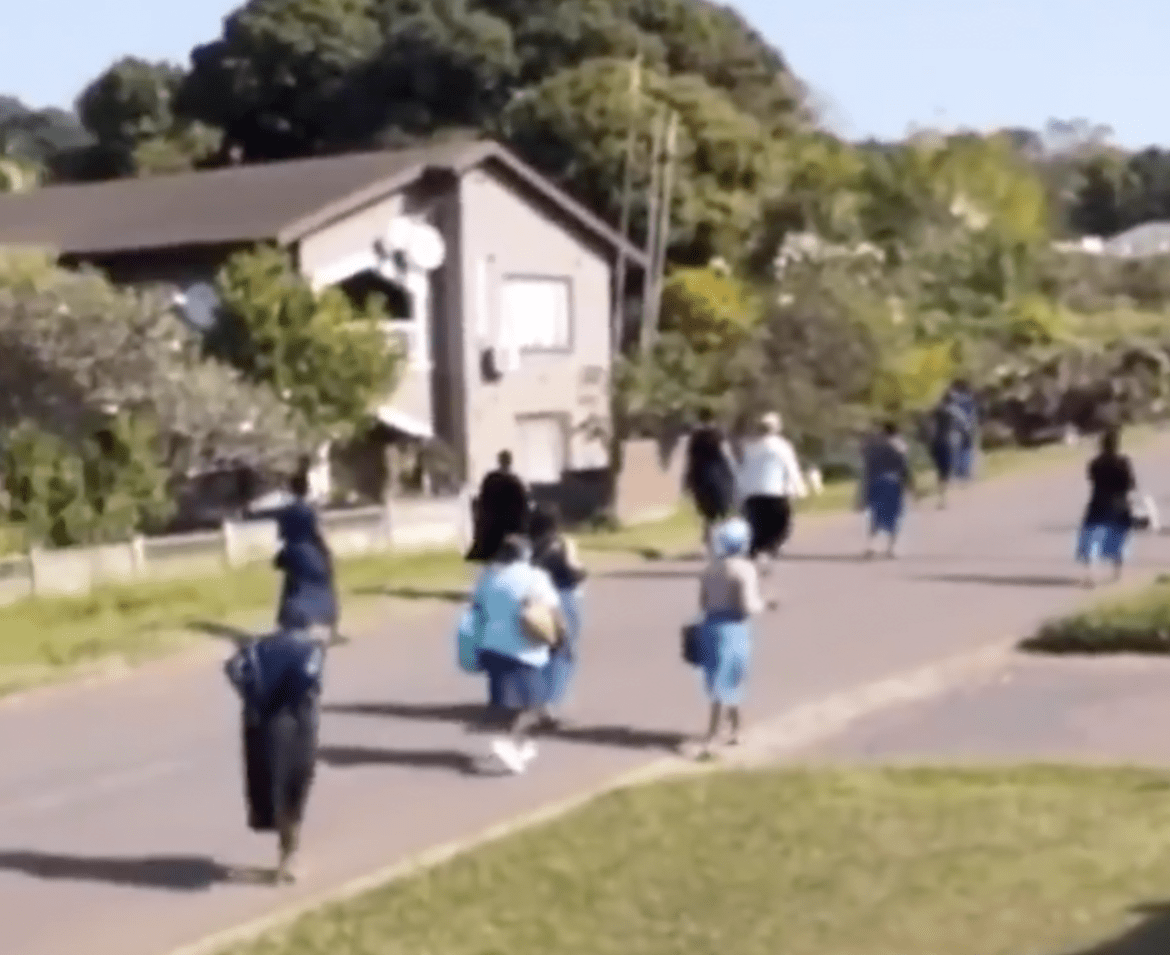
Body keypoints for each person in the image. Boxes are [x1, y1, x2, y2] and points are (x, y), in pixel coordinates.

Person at [224, 628, 325, 884]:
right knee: (294, 788)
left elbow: (232, 668)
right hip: (296, 725)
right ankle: (289, 857)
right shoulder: (310, 650)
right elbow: (310, 682)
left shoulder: (255, 650)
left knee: (274, 788)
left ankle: (287, 855)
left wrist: (250, 696)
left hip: (262, 726)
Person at [466, 534, 564, 774]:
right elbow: (552, 610)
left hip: (492, 646)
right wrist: (559, 637)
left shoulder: (487, 577)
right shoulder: (535, 577)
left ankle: (517, 744)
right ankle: (506, 742)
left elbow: (477, 607)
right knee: (530, 703)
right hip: (525, 648)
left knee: (511, 699)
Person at [696, 517, 767, 757]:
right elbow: (747, 605)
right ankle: (713, 734)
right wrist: (765, 604)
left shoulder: (709, 569)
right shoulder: (744, 569)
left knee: (719, 678)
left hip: (711, 626)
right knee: (731, 679)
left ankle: (736, 728)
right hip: (735, 628)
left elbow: (703, 603)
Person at [528, 504, 587, 726]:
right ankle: (548, 705)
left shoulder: (529, 549)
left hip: (536, 600)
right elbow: (575, 571)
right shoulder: (562, 544)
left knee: (540, 650)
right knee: (563, 653)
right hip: (563, 601)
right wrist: (581, 571)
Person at [275, 475, 342, 647]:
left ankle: (287, 628)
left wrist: (286, 553)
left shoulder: (285, 512)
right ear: (307, 489)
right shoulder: (309, 510)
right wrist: (325, 552)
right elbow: (316, 533)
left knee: (291, 589)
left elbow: (280, 535)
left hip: (292, 552)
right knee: (325, 587)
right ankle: (331, 629)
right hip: (310, 552)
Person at [737, 412, 808, 570]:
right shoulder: (781, 446)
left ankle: (759, 556)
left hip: (753, 494)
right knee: (780, 527)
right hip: (775, 493)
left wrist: (740, 492)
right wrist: (799, 488)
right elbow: (791, 468)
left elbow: (744, 471)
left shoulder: (750, 446)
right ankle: (766, 554)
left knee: (757, 528)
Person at [1077, 427, 1138, 587]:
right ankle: (1117, 574)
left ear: (1101, 445)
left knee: (1089, 537)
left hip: (1098, 502)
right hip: (1119, 504)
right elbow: (1131, 484)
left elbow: (1091, 478)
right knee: (1117, 538)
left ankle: (1089, 573)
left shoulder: (1095, 463)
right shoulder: (1123, 462)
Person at [861, 421, 915, 559]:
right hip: (893, 482)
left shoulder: (873, 445)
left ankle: (871, 546)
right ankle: (891, 548)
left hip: (875, 481)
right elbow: (904, 467)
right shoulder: (899, 445)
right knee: (894, 515)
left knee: (876, 514)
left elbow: (866, 462)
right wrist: (911, 484)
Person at [684, 409, 736, 551]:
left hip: (700, 477)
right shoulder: (719, 435)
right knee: (723, 511)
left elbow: (690, 459)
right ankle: (723, 542)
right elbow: (728, 455)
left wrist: (687, 480)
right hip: (719, 476)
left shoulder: (695, 437)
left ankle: (709, 541)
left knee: (708, 514)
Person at [466, 451, 530, 563]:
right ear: (509, 462)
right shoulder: (514, 481)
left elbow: (483, 501)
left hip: (492, 526)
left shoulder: (491, 478)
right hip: (507, 527)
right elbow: (522, 507)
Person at [927, 391, 970, 509]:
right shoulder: (953, 411)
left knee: (940, 471)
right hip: (947, 442)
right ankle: (943, 498)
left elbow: (930, 427)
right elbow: (964, 425)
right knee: (946, 471)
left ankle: (941, 496)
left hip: (936, 442)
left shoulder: (935, 411)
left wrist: (930, 441)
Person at [949, 380, 980, 481]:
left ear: (955, 389)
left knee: (957, 450)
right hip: (968, 428)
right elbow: (973, 415)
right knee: (967, 449)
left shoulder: (954, 401)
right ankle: (966, 472)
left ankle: (959, 473)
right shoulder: (970, 400)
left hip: (956, 429)